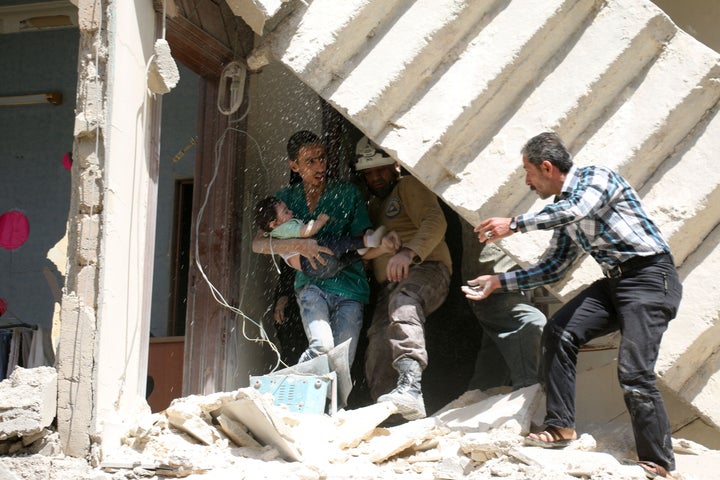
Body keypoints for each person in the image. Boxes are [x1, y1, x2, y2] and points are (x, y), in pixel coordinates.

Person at [465, 132, 682, 479]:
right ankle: (560, 426)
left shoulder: (596, 178)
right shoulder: (562, 213)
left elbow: (577, 209)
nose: (527, 181)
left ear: (547, 167)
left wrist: (515, 224)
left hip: (650, 277)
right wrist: (498, 282)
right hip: (616, 283)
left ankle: (659, 464)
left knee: (634, 373)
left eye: (528, 171)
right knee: (560, 331)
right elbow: (554, 267)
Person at [252, 130, 374, 366]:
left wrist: (383, 244)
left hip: (350, 288)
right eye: (310, 161)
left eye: (322, 158)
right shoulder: (284, 199)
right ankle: (300, 381)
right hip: (311, 286)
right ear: (294, 166)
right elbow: (258, 244)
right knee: (322, 349)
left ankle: (335, 404)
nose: (320, 166)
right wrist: (301, 245)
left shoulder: (347, 193)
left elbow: (365, 242)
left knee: (342, 362)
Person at [355, 136, 452, 420]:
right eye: (369, 173)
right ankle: (390, 412)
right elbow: (363, 253)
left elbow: (436, 221)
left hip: (428, 270)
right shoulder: (372, 205)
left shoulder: (407, 186)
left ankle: (410, 388)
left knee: (404, 303)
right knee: (379, 337)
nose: (376, 177)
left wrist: (409, 253)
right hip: (391, 286)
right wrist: (382, 246)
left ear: (396, 165)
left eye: (381, 169)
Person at [460, 226, 546, 392]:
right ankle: (526, 397)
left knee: (494, 364)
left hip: (511, 288)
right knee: (530, 323)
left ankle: (474, 402)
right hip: (492, 289)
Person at [253, 195, 390, 279]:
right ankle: (367, 241)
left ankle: (359, 252)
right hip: (312, 259)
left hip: (316, 271)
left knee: (340, 262)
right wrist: (320, 221)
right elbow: (307, 231)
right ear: (274, 224)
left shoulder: (274, 234)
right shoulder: (284, 228)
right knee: (335, 243)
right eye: (286, 212)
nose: (291, 212)